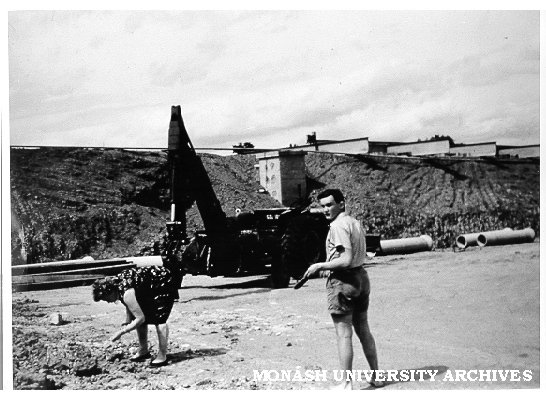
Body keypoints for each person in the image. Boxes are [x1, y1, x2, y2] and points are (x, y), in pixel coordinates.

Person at [302, 188, 382, 390]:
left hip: (344, 282)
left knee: (344, 334)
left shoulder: (337, 226)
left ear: (342, 204)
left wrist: (320, 265)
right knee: (363, 329)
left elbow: (344, 259)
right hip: (361, 278)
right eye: (323, 206)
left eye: (329, 205)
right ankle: (376, 376)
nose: (325, 210)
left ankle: (346, 384)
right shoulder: (355, 223)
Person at [92, 264, 180, 367]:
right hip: (147, 285)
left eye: (106, 299)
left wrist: (121, 332)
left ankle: (162, 355)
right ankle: (143, 350)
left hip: (161, 281)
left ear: (110, 292)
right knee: (137, 315)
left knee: (159, 319)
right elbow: (131, 307)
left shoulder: (126, 293)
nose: (107, 302)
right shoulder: (117, 286)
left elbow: (140, 318)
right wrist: (128, 319)